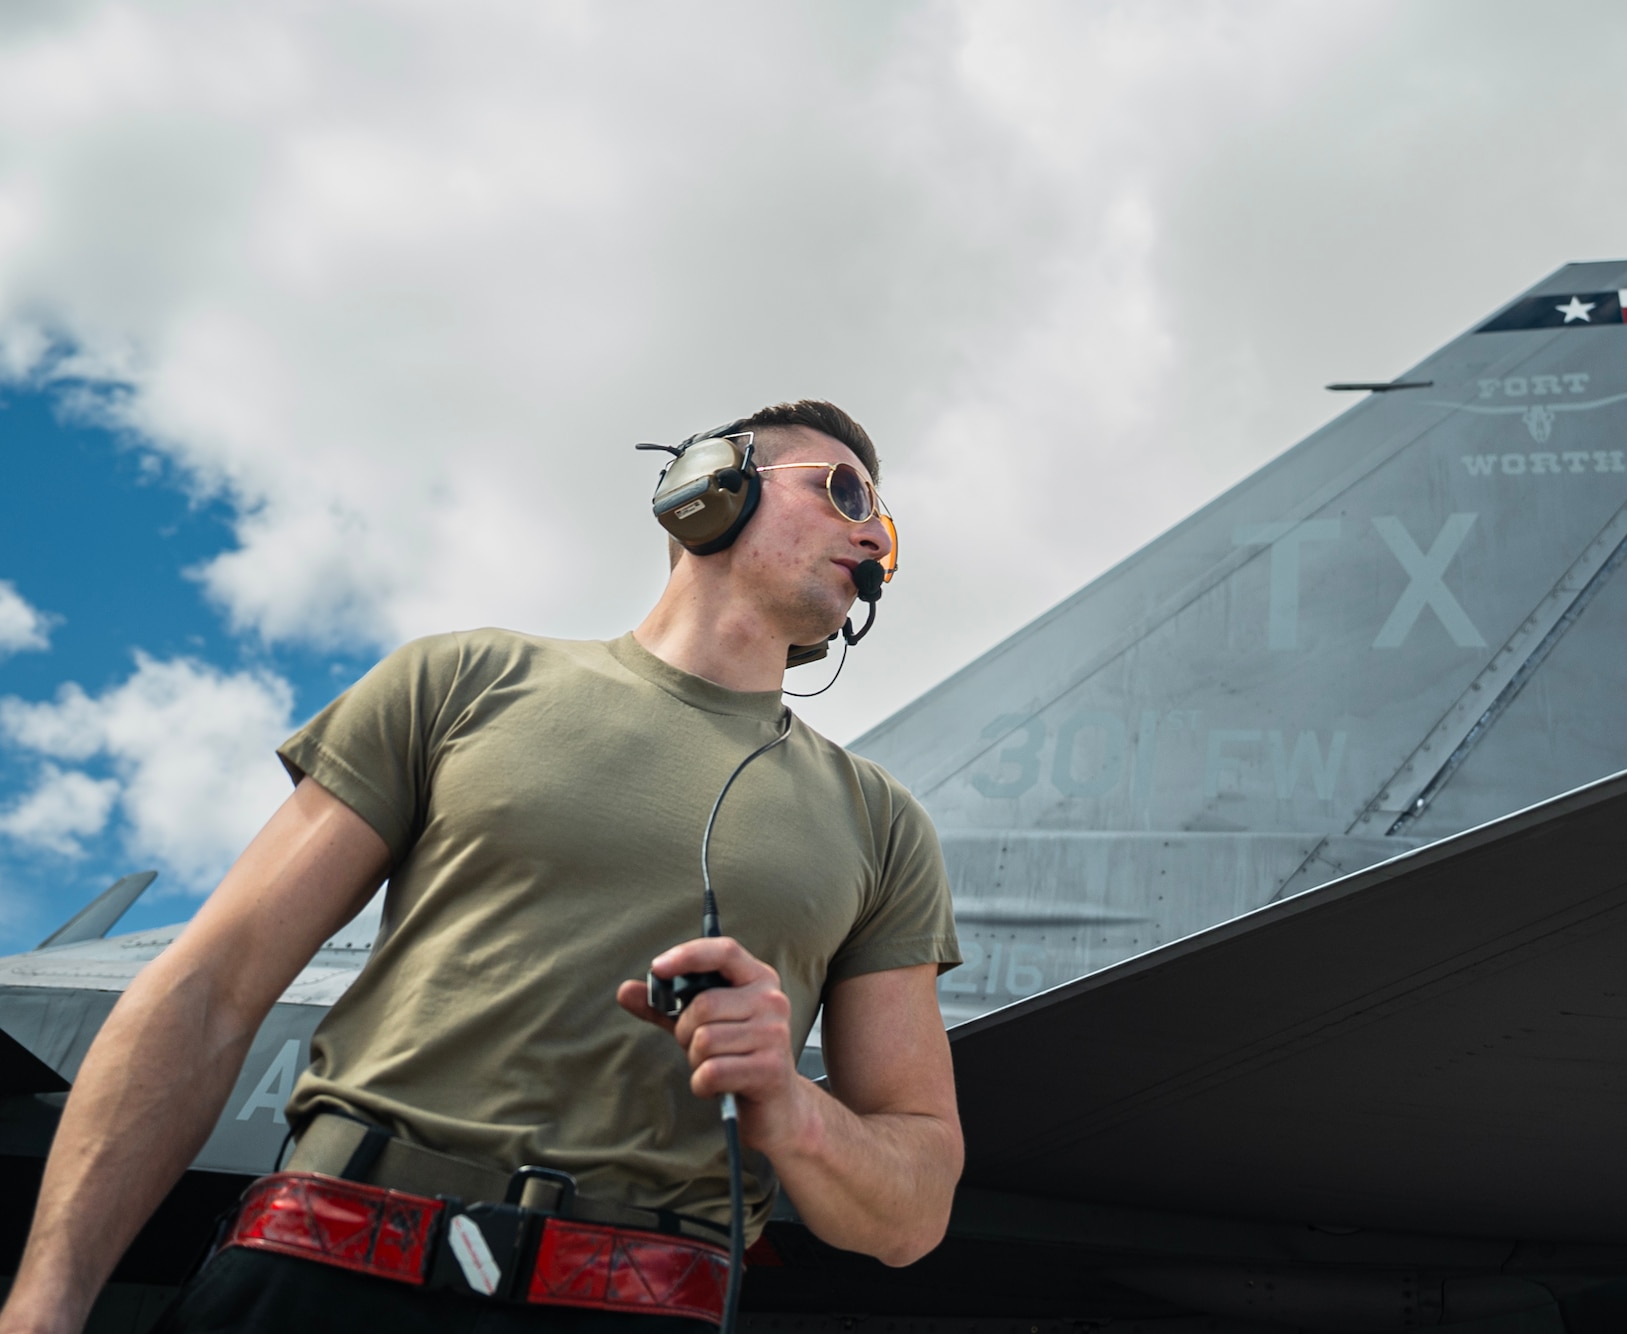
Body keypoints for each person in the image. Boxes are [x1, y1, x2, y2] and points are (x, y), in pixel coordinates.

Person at [0, 400, 963, 1334]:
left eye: (884, 522)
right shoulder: (459, 681)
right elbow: (208, 991)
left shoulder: (884, 826)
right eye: (843, 492)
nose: (875, 538)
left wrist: (793, 1107)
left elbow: (913, 1213)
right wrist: (42, 1307)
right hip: (319, 1266)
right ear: (711, 486)